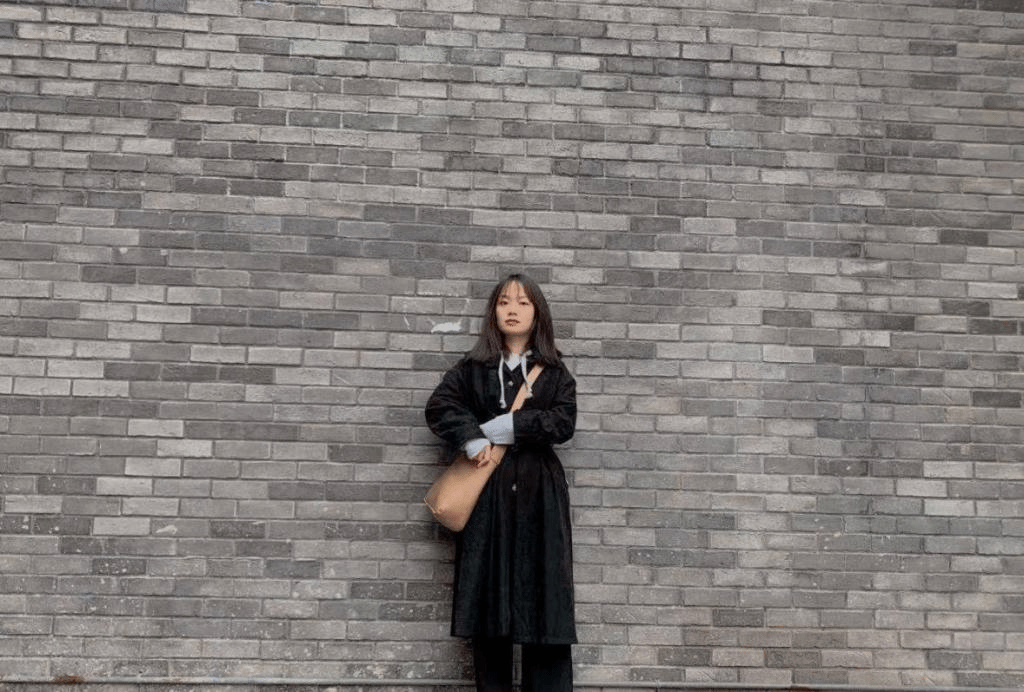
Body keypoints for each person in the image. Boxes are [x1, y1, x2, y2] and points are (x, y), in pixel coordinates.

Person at [424, 273, 577, 692]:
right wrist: (471, 437)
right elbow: (440, 405)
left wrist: (513, 425)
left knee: (545, 601)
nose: (513, 310)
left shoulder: (555, 371)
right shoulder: (472, 369)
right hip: (487, 495)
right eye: (504, 302)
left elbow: (564, 422)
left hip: (539, 496)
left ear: (537, 313)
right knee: (489, 602)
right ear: (493, 312)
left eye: (524, 303)